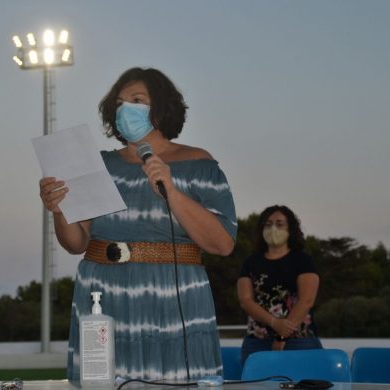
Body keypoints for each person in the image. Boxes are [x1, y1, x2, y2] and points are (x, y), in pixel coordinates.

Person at [40, 67, 237, 382]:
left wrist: (171, 191)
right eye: (119, 103)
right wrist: (58, 208)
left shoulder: (199, 164)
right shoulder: (99, 165)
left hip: (174, 298)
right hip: (103, 295)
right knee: (102, 381)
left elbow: (223, 243)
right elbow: (76, 243)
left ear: (161, 107)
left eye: (137, 100)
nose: (125, 110)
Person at [237, 205, 322, 365]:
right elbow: (246, 300)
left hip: (300, 341)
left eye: (279, 223)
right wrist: (274, 323)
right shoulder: (250, 262)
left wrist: (282, 336)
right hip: (257, 341)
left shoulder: (303, 260)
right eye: (268, 224)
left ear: (291, 229)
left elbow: (306, 300)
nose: (273, 228)